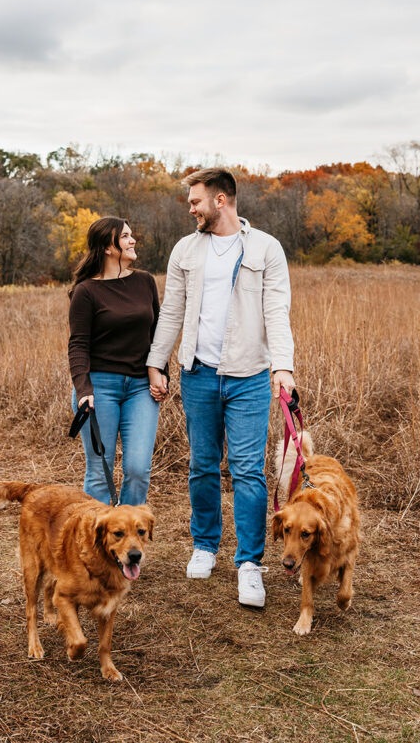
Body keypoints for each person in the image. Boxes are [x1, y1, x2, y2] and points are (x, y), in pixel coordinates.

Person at [147, 167, 295, 608]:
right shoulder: (185, 250)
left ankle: (249, 564)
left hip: (249, 375)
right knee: (202, 464)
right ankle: (205, 545)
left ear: (220, 200)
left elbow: (277, 311)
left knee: (248, 471)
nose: (190, 208)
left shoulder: (266, 248)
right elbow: (171, 311)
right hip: (197, 374)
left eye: (195, 200)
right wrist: (156, 363)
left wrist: (282, 368)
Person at [68, 216, 161, 506]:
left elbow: (157, 333)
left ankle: (129, 541)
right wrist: (84, 390)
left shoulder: (145, 282)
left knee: (138, 469)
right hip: (99, 389)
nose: (132, 241)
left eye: (131, 235)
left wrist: (160, 371)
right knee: (99, 471)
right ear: (108, 247)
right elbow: (78, 344)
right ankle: (95, 543)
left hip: (140, 388)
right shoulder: (86, 291)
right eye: (125, 236)